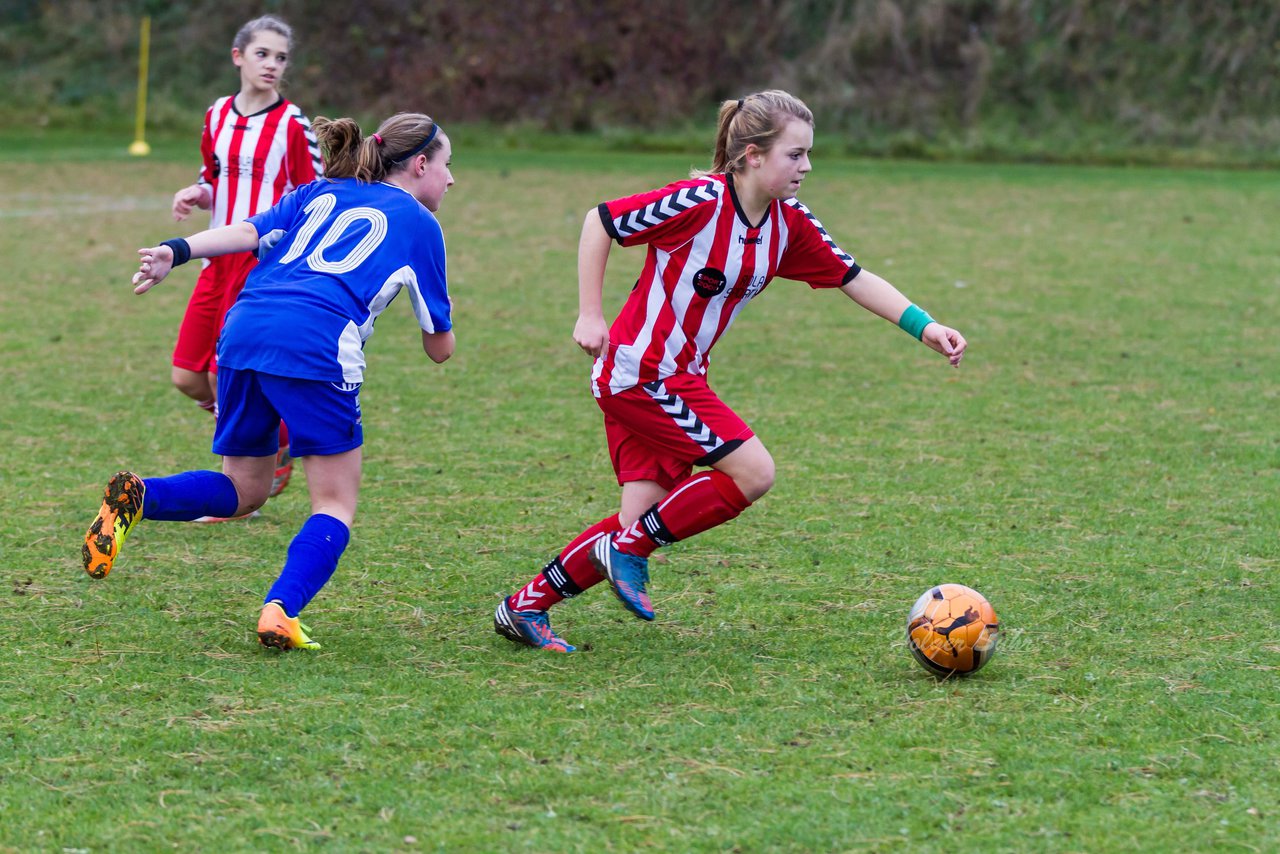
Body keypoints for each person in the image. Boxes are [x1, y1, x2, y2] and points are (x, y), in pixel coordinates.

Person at [494, 90, 966, 654]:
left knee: (639, 517)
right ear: (751, 155)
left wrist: (926, 326)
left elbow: (852, 276)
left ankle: (525, 606)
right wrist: (589, 313)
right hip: (641, 373)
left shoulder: (789, 225)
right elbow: (601, 222)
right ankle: (630, 548)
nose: (807, 167)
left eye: (808, 154)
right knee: (753, 472)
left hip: (677, 377)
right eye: (795, 155)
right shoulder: (696, 201)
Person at [83, 112, 456, 650]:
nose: (450, 179)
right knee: (334, 505)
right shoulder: (421, 224)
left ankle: (140, 496)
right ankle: (280, 610)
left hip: (244, 329)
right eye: (447, 165)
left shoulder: (319, 190)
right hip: (315, 344)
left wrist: (177, 250)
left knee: (244, 490)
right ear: (420, 164)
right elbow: (439, 349)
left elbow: (248, 231)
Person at [169, 15, 323, 509]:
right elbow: (213, 174)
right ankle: (274, 435)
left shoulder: (293, 124)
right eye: (263, 54)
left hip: (261, 265)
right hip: (215, 256)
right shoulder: (216, 113)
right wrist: (199, 192)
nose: (273, 65)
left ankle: (235, 486)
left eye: (281, 57)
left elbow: (313, 196)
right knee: (187, 377)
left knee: (222, 373)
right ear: (238, 56)